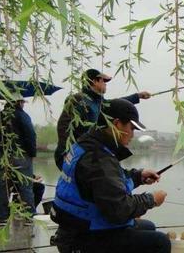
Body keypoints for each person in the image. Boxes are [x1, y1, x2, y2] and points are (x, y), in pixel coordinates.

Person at [51, 98, 170, 253]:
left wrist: (138, 176)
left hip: (73, 227)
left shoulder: (87, 143)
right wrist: (151, 200)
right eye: (131, 128)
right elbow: (119, 210)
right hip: (82, 237)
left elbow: (106, 182)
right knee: (160, 242)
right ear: (117, 124)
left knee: (149, 227)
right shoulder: (99, 158)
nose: (132, 135)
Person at [54, 68, 151, 169]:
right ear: (94, 81)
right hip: (77, 155)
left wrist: (137, 96)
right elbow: (64, 127)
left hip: (90, 154)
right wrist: (67, 153)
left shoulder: (99, 102)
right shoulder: (78, 100)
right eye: (103, 81)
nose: (106, 84)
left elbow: (116, 105)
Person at [0, 95, 37, 225]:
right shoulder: (22, 116)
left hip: (3, 158)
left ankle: (3, 218)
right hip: (22, 157)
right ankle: (29, 217)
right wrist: (32, 153)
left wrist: (0, 152)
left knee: (2, 187)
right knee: (26, 187)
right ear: (19, 102)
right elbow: (30, 135)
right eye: (23, 102)